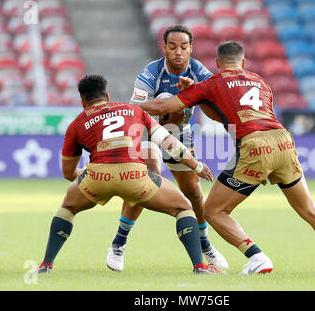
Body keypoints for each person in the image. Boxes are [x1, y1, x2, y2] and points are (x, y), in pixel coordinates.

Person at [137, 41, 315, 274]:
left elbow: (164, 105)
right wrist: (201, 97)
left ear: (217, 63)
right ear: (243, 62)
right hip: (283, 141)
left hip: (254, 145)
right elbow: (228, 112)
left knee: (213, 211)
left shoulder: (212, 82)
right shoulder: (261, 82)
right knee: (309, 210)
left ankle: (256, 256)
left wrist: (132, 107)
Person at [36, 74, 223, 275]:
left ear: (82, 101)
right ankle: (200, 267)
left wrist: (84, 176)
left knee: (67, 207)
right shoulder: (134, 110)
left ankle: (46, 265)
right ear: (107, 96)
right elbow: (168, 142)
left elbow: (67, 172)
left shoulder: (77, 123)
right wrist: (196, 166)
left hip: (98, 176)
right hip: (134, 175)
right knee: (184, 208)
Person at [107, 24, 228, 271]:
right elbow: (135, 108)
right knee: (148, 179)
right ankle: (119, 243)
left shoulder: (200, 73)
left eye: (184, 47)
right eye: (172, 47)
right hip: (148, 132)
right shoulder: (152, 72)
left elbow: (217, 110)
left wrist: (194, 94)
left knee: (193, 192)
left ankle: (204, 243)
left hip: (181, 135)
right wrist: (169, 107)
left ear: (191, 48)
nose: (178, 52)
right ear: (164, 47)